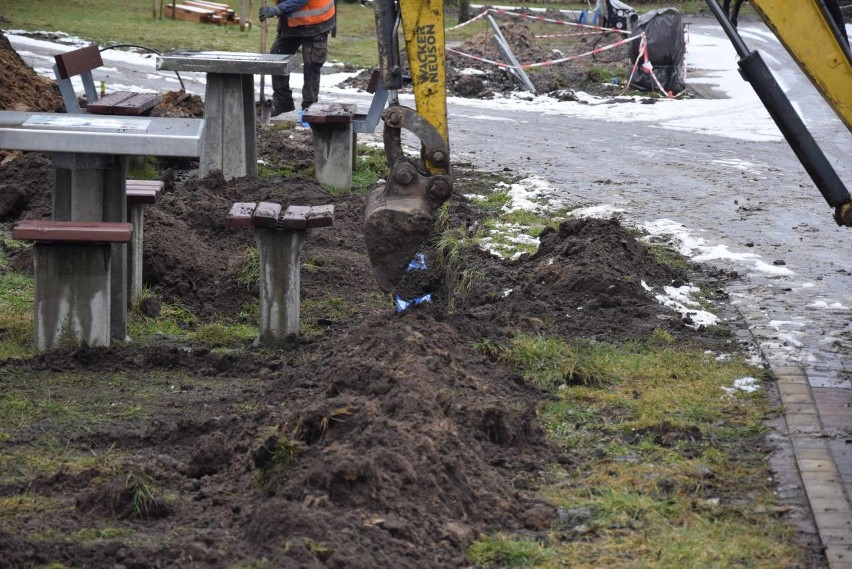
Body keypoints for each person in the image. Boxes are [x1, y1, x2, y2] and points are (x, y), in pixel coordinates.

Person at [259, 0, 337, 116]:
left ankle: (309, 108)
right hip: (291, 19)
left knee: (311, 64)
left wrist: (276, 10)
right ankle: (282, 102)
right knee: (277, 58)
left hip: (316, 21)